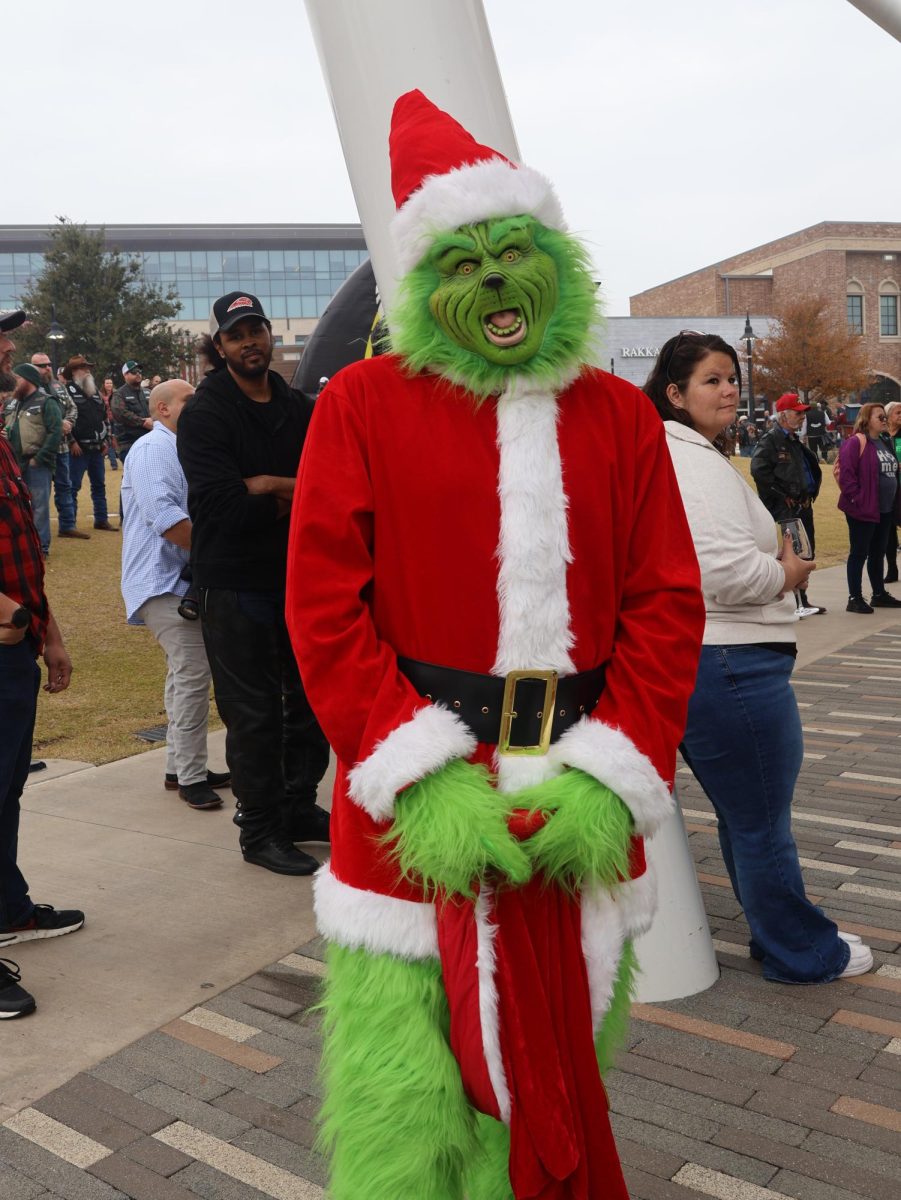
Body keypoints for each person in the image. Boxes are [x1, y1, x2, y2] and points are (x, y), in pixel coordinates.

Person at [285, 91, 705, 1200]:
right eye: (462, 264)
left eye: (514, 253)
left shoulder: (617, 416)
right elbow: (324, 606)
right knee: (405, 1099)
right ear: (423, 285)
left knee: (567, 1059)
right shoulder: (363, 406)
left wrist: (617, 774)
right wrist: (411, 774)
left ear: (556, 264)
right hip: (413, 798)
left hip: (577, 791)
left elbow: (667, 606)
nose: (495, 285)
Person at [645, 330, 873, 984]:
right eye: (711, 380)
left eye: (729, 379)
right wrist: (787, 572)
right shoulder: (686, 460)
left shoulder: (684, 453)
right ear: (674, 394)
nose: (726, 390)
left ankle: (777, 936)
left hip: (723, 662)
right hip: (730, 664)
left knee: (747, 818)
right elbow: (715, 569)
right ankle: (801, 951)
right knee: (761, 823)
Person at [177, 292, 330, 876]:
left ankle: (296, 807)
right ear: (219, 348)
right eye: (236, 336)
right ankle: (260, 830)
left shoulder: (297, 407)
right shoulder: (207, 413)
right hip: (235, 584)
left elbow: (331, 480)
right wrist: (292, 490)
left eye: (256, 331)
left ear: (269, 335)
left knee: (309, 703)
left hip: (296, 576)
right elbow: (220, 508)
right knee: (255, 713)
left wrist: (267, 483)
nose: (250, 343)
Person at [0, 308, 82, 1021]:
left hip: (14, 646)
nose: (8, 347)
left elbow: (20, 548)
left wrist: (44, 632)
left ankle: (9, 908)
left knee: (5, 791)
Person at [121, 379, 230, 811]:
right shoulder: (154, 449)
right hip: (163, 583)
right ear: (163, 409)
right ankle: (190, 776)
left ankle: (181, 767)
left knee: (184, 674)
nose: (198, 406)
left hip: (175, 582)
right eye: (189, 401)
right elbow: (166, 519)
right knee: (192, 676)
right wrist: (224, 553)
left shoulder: (179, 448)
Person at [751, 393, 826, 616]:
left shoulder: (792, 440)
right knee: (793, 554)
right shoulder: (771, 440)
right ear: (784, 415)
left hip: (803, 505)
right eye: (798, 412)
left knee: (806, 553)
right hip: (788, 507)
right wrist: (781, 494)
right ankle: (794, 603)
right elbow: (758, 470)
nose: (802, 417)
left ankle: (802, 600)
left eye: (803, 413)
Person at [837, 402, 901, 614]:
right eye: (879, 417)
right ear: (866, 420)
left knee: (878, 552)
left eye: (885, 417)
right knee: (859, 553)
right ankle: (854, 597)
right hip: (863, 509)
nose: (884, 420)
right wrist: (858, 499)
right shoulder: (855, 442)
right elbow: (846, 476)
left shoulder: (884, 441)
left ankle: (878, 593)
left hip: (884, 509)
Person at [3, 363, 61, 557]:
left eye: (17, 378)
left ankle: (40, 548)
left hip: (36, 464)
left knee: (39, 506)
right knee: (19, 506)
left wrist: (40, 458)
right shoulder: (12, 402)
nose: (14, 382)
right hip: (14, 464)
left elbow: (55, 432)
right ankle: (24, 546)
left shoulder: (47, 402)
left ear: (27, 380)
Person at [30, 353, 88, 541]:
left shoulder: (58, 386)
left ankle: (67, 525)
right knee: (40, 494)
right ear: (32, 367)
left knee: (65, 486)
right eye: (42, 365)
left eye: (48, 364)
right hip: (42, 448)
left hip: (62, 447)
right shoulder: (29, 388)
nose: (47, 368)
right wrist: (57, 424)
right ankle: (38, 537)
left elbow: (73, 408)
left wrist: (68, 423)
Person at [62, 355, 116, 532]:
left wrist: (106, 440)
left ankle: (101, 519)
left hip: (97, 448)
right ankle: (70, 524)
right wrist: (71, 442)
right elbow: (62, 420)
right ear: (74, 371)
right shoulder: (66, 391)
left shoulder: (96, 393)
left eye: (88, 368)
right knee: (73, 487)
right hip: (78, 449)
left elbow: (104, 418)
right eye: (84, 368)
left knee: (99, 485)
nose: (88, 371)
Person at [111, 360, 152, 462]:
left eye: (139, 371)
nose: (138, 374)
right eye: (134, 371)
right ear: (125, 375)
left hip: (149, 440)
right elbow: (120, 413)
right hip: (129, 443)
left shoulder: (148, 392)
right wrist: (143, 422)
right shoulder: (119, 394)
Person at [882, 402, 901, 583]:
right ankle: (892, 569)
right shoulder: (882, 437)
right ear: (887, 416)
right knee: (888, 532)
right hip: (888, 490)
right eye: (898, 412)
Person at [99, 377, 119, 469]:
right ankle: (113, 463)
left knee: (115, 440)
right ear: (104, 384)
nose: (109, 385)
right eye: (107, 383)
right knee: (107, 441)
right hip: (105, 421)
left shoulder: (116, 394)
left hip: (115, 420)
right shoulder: (100, 395)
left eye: (110, 383)